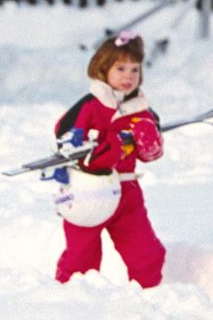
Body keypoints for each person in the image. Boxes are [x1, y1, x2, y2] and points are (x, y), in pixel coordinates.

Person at [54, 31, 166, 288]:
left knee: (146, 254)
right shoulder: (89, 106)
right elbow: (65, 139)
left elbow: (152, 153)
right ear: (103, 70)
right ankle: (70, 303)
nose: (129, 76)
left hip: (127, 194)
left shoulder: (142, 110)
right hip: (87, 194)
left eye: (135, 69)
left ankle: (149, 299)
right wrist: (93, 149)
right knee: (80, 260)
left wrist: (147, 137)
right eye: (121, 68)